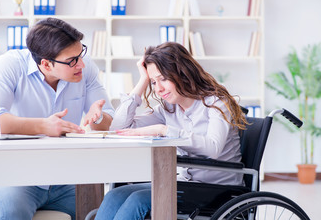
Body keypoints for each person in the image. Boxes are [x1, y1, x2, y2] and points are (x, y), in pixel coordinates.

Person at [94, 42, 248, 220]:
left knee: (138, 200)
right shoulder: (169, 108)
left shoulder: (216, 102)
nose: (158, 89)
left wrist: (164, 130)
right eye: (153, 82)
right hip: (184, 184)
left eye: (163, 79)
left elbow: (212, 148)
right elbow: (118, 127)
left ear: (183, 72)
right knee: (115, 195)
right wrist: (143, 80)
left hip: (217, 190)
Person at [0, 18, 114, 220]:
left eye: (81, 54)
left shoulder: (84, 70)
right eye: (72, 60)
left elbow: (109, 121)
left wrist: (97, 118)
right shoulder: (9, 66)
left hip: (65, 178)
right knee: (9, 212)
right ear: (46, 64)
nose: (81, 64)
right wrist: (44, 126)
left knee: (106, 211)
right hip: (12, 176)